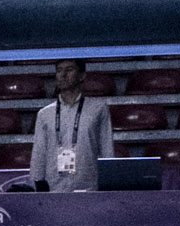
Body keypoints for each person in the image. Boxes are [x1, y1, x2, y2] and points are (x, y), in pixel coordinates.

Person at [25, 58, 116, 189]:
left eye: (69, 70)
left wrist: (110, 183)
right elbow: (39, 152)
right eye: (59, 71)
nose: (63, 75)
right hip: (54, 186)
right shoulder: (45, 114)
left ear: (82, 76)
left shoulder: (98, 109)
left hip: (88, 185)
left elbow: (107, 148)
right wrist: (36, 184)